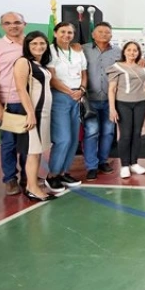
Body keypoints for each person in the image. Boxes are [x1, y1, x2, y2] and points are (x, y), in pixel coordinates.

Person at [0, 12, 26, 195]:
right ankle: (10, 179)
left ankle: (28, 176)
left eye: (17, 22)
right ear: (2, 26)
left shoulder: (34, 43)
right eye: (8, 23)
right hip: (9, 103)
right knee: (9, 143)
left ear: (24, 23)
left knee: (29, 142)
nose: (13, 26)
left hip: (31, 102)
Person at [14, 32, 58, 201]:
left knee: (38, 151)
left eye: (42, 43)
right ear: (27, 46)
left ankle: (32, 183)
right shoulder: (23, 62)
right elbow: (20, 89)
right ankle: (32, 187)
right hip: (34, 113)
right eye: (34, 44)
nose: (38, 47)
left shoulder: (40, 63)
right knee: (33, 151)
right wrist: (30, 113)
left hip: (44, 113)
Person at [45, 22, 87, 193]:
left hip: (77, 97)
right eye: (62, 32)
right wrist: (70, 92)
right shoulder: (50, 51)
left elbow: (84, 73)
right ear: (55, 33)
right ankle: (52, 175)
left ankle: (64, 172)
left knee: (72, 139)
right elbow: (52, 78)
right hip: (60, 97)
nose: (66, 35)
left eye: (70, 32)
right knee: (62, 138)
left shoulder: (77, 51)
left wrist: (82, 90)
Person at [108, 41, 145, 179]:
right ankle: (124, 165)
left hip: (141, 103)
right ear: (124, 51)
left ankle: (134, 163)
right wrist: (112, 108)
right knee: (125, 134)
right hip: (123, 103)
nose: (132, 53)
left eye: (135, 50)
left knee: (137, 134)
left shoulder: (142, 67)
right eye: (129, 50)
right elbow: (112, 89)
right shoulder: (116, 67)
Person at [81, 22, 120, 180]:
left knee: (108, 132)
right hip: (89, 100)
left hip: (110, 100)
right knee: (91, 132)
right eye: (100, 31)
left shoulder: (118, 52)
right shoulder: (82, 50)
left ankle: (103, 161)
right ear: (93, 34)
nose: (104, 34)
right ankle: (91, 165)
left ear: (111, 35)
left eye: (107, 32)